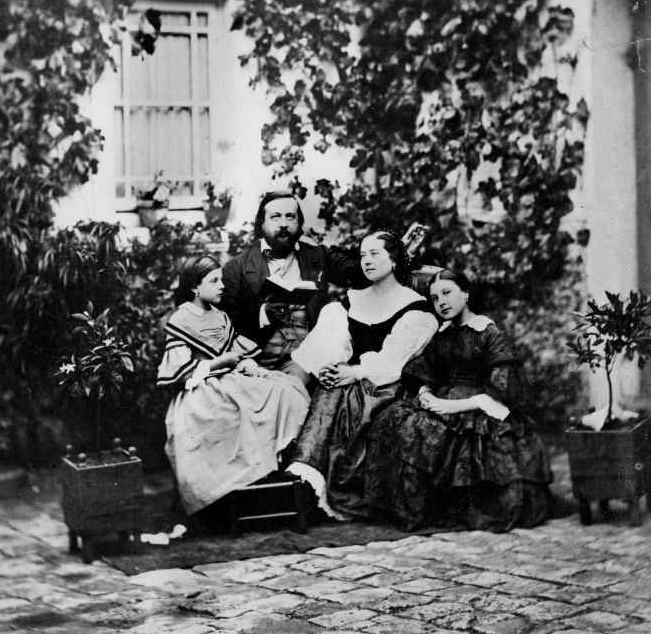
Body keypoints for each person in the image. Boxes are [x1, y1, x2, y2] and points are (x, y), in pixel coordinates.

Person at [365, 268, 552, 532]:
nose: (441, 302)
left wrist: (450, 406)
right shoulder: (442, 335)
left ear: (465, 293)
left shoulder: (489, 333)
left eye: (447, 293)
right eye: (435, 297)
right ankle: (413, 506)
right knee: (395, 420)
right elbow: (427, 372)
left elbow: (501, 390)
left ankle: (449, 504)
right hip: (442, 399)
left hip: (479, 408)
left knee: (434, 433)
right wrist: (426, 393)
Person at [285, 229, 439, 519]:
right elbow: (332, 344)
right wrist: (329, 368)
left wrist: (355, 372)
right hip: (348, 378)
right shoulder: (349, 302)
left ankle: (313, 478)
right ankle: (305, 476)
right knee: (331, 385)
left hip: (387, 384)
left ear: (394, 260)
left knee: (347, 393)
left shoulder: (414, 308)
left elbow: (395, 360)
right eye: (362, 255)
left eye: (375, 254)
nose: (366, 261)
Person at [157, 255, 310, 516]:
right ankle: (236, 486)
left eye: (221, 280)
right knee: (234, 412)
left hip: (232, 380)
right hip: (201, 391)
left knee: (286, 390)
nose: (222, 286)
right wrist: (219, 362)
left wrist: (247, 363)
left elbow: (236, 351)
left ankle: (273, 471)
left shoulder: (219, 315)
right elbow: (182, 373)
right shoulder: (180, 320)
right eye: (214, 281)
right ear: (194, 287)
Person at [221, 191, 368, 384]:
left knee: (295, 386)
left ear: (299, 224)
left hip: (303, 361)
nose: (283, 223)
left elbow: (361, 274)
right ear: (261, 224)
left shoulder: (317, 256)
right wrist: (263, 313)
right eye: (275, 217)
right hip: (256, 361)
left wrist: (396, 253)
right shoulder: (236, 267)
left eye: (290, 216)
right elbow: (225, 321)